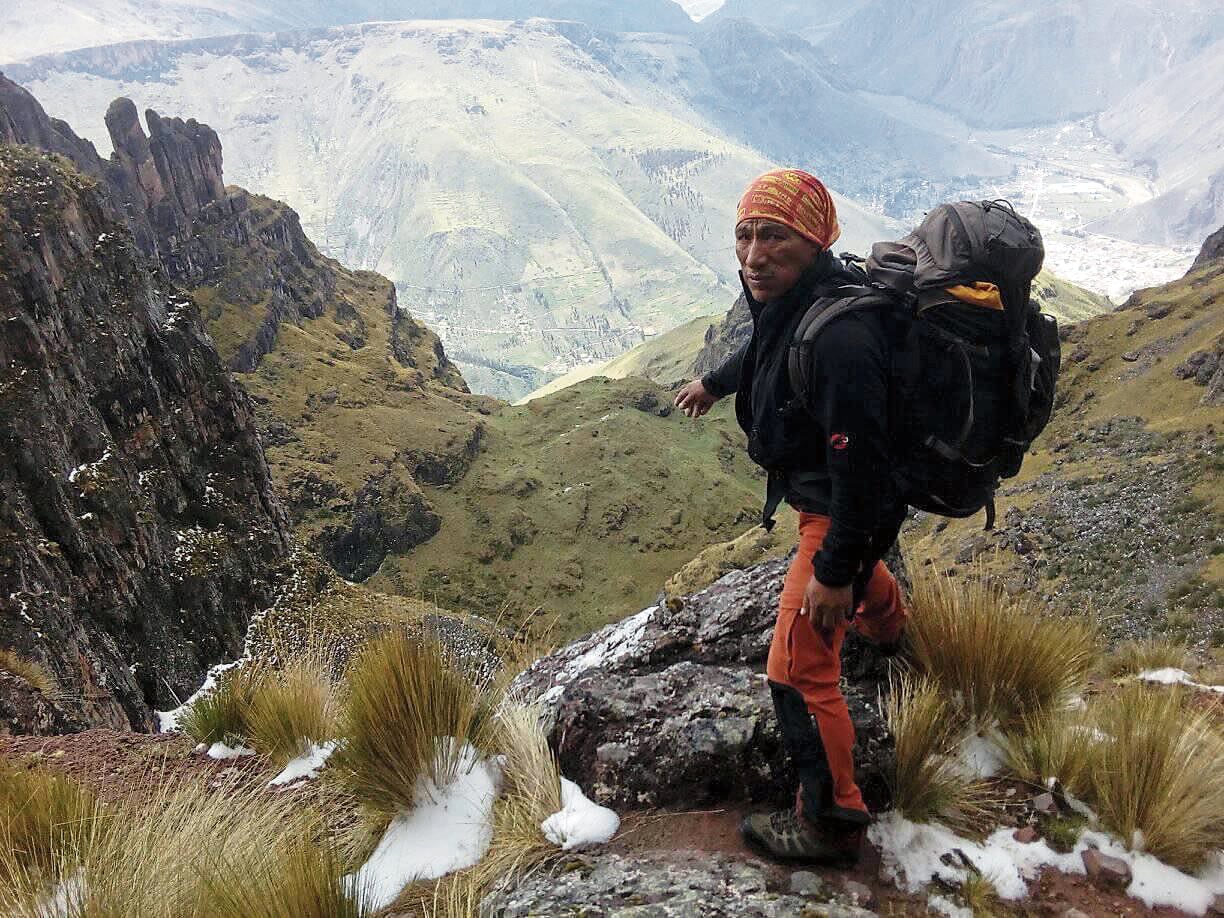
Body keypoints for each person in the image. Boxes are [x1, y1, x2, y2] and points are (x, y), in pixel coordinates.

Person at [675, 168, 908, 866]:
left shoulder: (840, 340)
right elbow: (766, 348)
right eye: (744, 236)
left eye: (773, 236)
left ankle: (831, 821)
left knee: (796, 671)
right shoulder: (798, 301)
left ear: (815, 240)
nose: (753, 256)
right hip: (826, 507)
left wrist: (833, 572)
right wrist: (715, 382)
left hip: (836, 515)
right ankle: (892, 632)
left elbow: (862, 475)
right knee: (856, 586)